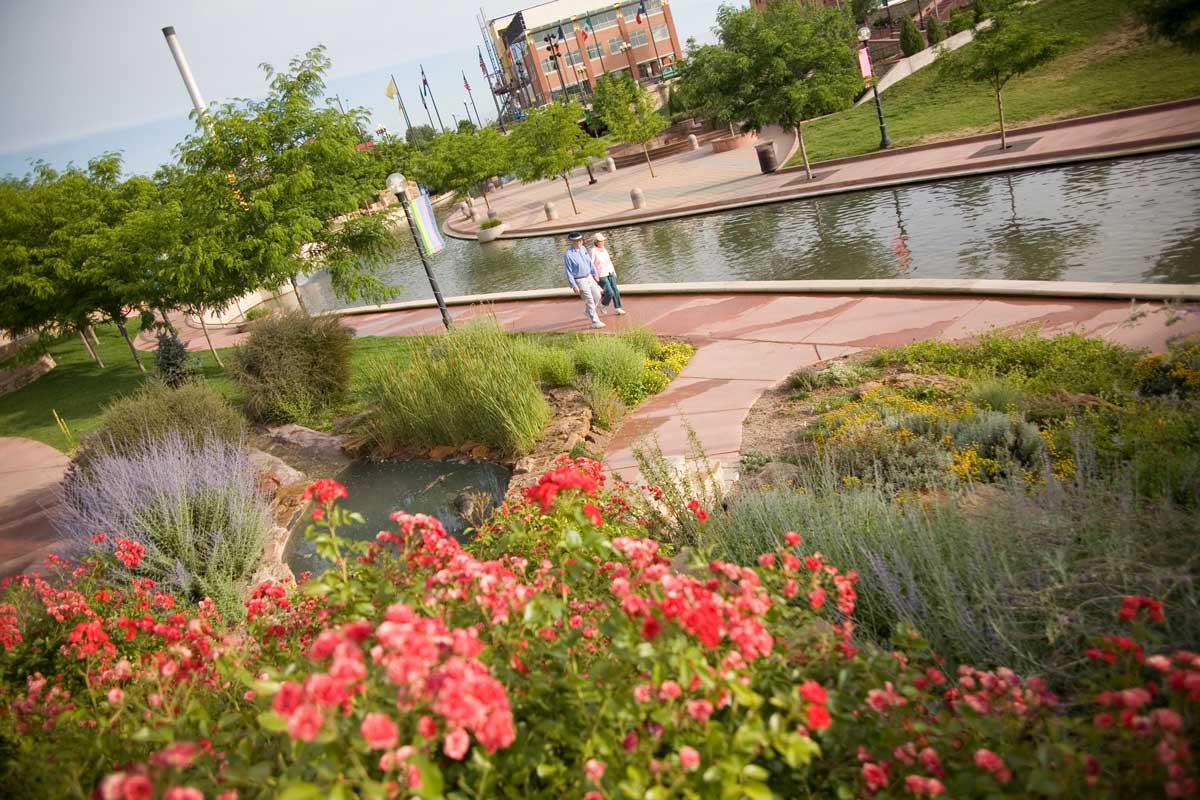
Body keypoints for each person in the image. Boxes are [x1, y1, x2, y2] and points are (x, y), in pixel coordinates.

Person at [564, 231, 604, 329]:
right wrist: (573, 285)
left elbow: (590, 263)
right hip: (580, 280)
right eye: (577, 241)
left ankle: (588, 311)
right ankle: (595, 321)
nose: (580, 242)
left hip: (589, 276)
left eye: (581, 240)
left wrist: (595, 274)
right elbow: (568, 271)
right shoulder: (568, 254)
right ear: (572, 242)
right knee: (589, 300)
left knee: (597, 295)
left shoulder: (583, 249)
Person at [589, 232, 625, 315]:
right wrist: (594, 276)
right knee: (609, 292)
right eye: (600, 241)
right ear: (596, 242)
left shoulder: (604, 250)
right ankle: (603, 305)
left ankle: (618, 308)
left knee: (615, 290)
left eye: (602, 241)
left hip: (609, 272)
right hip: (601, 275)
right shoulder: (593, 251)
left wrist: (614, 272)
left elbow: (609, 261)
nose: (602, 242)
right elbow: (590, 265)